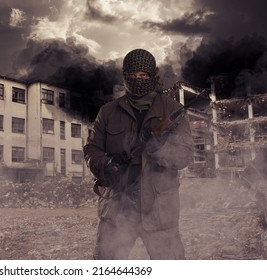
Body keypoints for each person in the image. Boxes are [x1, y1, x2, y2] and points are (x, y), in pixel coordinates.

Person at [83, 48, 194, 260]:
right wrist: (106, 164)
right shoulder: (108, 112)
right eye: (132, 76)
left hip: (160, 210)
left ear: (153, 76)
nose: (138, 80)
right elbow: (91, 149)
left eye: (143, 76)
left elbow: (185, 155)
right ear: (125, 77)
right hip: (117, 206)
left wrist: (159, 148)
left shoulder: (173, 110)